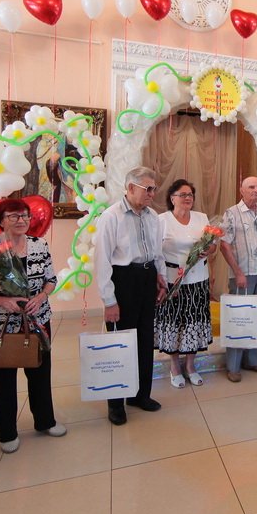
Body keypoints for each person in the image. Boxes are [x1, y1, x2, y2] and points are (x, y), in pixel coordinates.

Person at [0, 198, 65, 454]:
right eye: (14, 216)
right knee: (3, 379)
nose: (21, 220)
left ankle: (45, 420)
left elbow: (51, 279)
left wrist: (41, 297)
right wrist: (2, 301)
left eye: (25, 216)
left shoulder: (39, 245)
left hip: (37, 319)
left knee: (40, 373)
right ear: (0, 221)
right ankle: (7, 432)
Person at [93, 166, 167, 426]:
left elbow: (157, 252)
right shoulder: (111, 216)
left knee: (145, 340)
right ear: (131, 188)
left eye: (154, 189)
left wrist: (161, 278)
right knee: (121, 342)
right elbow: (102, 261)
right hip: (123, 280)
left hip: (147, 278)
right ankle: (116, 403)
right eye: (148, 189)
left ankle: (140, 395)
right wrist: (109, 301)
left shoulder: (152, 216)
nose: (152, 194)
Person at [155, 179, 216, 388]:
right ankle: (174, 366)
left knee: (194, 321)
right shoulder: (162, 220)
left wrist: (209, 250)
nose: (187, 198)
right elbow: (155, 252)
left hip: (198, 279)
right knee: (174, 322)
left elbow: (213, 245)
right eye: (183, 194)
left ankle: (190, 365)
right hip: (173, 281)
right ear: (172, 198)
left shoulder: (201, 217)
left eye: (190, 194)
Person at [219, 176, 257, 382]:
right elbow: (224, 245)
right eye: (251, 187)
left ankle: (254, 360)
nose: (256, 190)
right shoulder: (232, 213)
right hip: (242, 275)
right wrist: (238, 272)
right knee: (239, 318)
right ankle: (233, 366)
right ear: (241, 190)